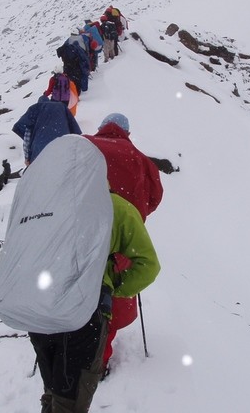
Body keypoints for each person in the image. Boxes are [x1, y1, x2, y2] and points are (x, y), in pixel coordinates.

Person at [0, 135, 160, 413]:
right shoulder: (116, 207)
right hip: (85, 315)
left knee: (53, 389)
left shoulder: (46, 207)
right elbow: (148, 264)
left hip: (38, 311)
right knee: (71, 400)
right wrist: (114, 286)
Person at [85, 113, 164, 374]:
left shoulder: (84, 145)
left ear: (101, 127)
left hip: (78, 234)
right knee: (108, 305)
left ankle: (68, 353)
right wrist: (131, 217)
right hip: (120, 242)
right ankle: (98, 362)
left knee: (74, 291)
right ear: (126, 132)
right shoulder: (138, 158)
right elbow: (154, 198)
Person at [12, 95, 81, 166]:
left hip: (40, 147)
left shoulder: (35, 110)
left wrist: (27, 158)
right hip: (62, 144)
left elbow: (27, 138)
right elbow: (74, 128)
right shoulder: (61, 107)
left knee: (41, 172)